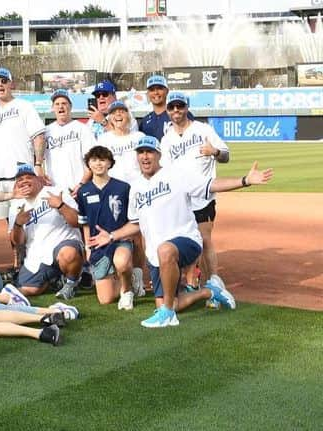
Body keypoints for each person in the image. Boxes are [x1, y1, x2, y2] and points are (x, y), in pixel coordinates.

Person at [87, 136, 269, 328]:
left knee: (166, 250)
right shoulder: (136, 188)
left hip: (186, 239)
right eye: (141, 152)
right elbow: (135, 223)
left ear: (159, 155)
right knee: (170, 301)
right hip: (156, 254)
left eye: (149, 152)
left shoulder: (177, 175)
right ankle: (208, 292)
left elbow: (211, 185)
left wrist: (245, 180)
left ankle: (167, 315)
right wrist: (112, 235)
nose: (145, 157)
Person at [159, 92, 230, 289]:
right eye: (172, 107)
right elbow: (164, 170)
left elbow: (226, 155)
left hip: (203, 197)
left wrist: (214, 152)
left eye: (180, 106)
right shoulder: (167, 139)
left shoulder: (203, 130)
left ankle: (214, 284)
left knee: (205, 240)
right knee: (186, 239)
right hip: (180, 199)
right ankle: (191, 281)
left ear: (186, 108)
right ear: (167, 110)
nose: (176, 110)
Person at [0, 67, 46, 265]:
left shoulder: (24, 106)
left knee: (25, 220)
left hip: (21, 176)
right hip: (0, 180)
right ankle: (17, 263)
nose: (0, 85)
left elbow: (39, 136)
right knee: (10, 225)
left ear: (12, 84)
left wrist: (38, 164)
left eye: (4, 81)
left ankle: (29, 263)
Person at [75, 146, 141, 309]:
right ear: (88, 164)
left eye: (103, 160)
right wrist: (88, 247)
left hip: (119, 240)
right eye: (94, 160)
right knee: (106, 299)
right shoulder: (84, 191)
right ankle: (124, 277)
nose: (98, 164)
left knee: (121, 262)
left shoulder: (123, 188)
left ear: (110, 163)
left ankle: (127, 291)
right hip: (98, 244)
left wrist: (123, 236)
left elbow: (133, 219)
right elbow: (84, 222)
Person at [8, 163, 85, 300]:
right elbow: (17, 242)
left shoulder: (56, 191)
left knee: (68, 255)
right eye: (20, 180)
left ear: (38, 179)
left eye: (28, 177)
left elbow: (77, 222)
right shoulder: (16, 205)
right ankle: (55, 279)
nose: (24, 181)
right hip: (36, 255)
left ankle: (72, 282)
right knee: (28, 289)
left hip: (63, 244)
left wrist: (61, 206)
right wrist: (18, 224)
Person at [43, 89, 94, 195]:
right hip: (53, 190)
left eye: (64, 103)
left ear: (70, 106)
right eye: (57, 104)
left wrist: (82, 184)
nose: (60, 106)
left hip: (77, 188)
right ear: (53, 108)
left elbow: (91, 159)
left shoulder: (82, 128)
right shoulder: (46, 131)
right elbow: (39, 160)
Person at [94, 101, 145, 183]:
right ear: (110, 118)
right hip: (113, 187)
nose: (118, 114)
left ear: (128, 116)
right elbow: (98, 166)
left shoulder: (139, 137)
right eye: (113, 113)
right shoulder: (103, 140)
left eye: (122, 112)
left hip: (137, 185)